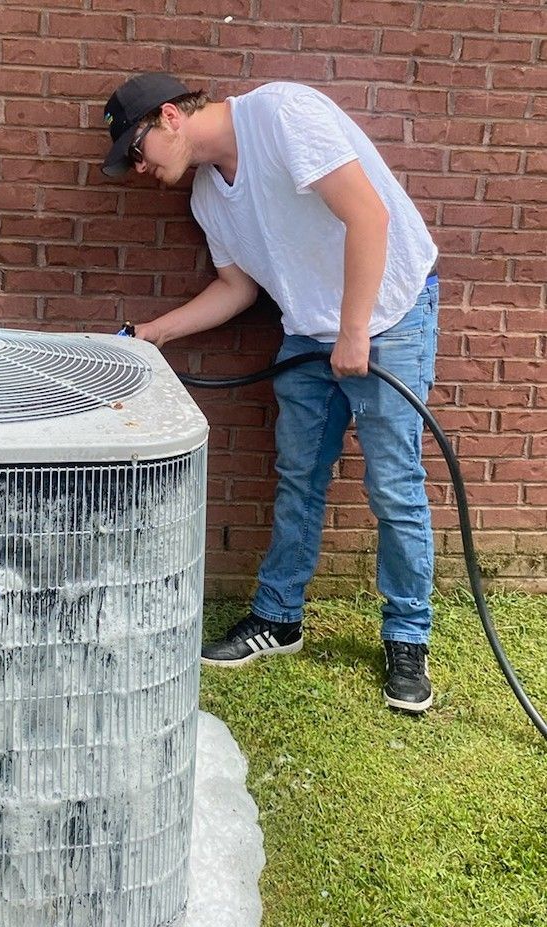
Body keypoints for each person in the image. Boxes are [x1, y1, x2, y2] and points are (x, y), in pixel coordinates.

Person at [101, 72, 439, 713]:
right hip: (311, 330)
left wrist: (355, 329)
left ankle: (407, 638)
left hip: (390, 314)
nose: (138, 168)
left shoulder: (282, 115)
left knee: (393, 485)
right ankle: (279, 618)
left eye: (136, 152)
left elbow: (369, 213)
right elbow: (238, 289)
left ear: (170, 116)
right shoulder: (208, 198)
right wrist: (152, 333)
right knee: (298, 477)